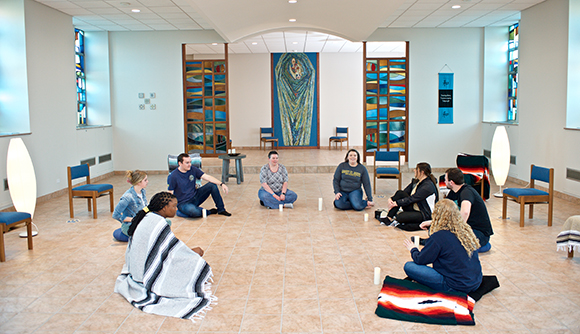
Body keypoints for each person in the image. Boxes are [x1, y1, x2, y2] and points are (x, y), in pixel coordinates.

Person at [115, 192, 214, 320]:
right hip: (145, 274)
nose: (176, 209)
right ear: (164, 208)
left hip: (137, 272)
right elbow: (170, 252)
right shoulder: (158, 223)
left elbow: (164, 248)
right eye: (174, 206)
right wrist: (191, 253)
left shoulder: (147, 217)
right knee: (197, 256)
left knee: (192, 253)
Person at [403, 199, 482, 294]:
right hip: (476, 282)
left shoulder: (438, 237)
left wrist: (413, 249)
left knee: (409, 266)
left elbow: (420, 260)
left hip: (454, 286)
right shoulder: (465, 231)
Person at [439, 168, 493, 252]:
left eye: (445, 180)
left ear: (451, 182)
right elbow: (444, 210)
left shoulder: (466, 192)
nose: (445, 182)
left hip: (480, 234)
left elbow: (465, 212)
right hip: (469, 228)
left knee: (449, 241)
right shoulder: (453, 192)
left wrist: (457, 230)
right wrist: (432, 222)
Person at [167, 153, 231, 217]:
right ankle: (208, 212)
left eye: (190, 162)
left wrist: (221, 184)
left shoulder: (193, 169)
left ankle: (221, 210)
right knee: (194, 212)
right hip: (183, 203)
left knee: (212, 185)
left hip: (195, 196)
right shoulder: (173, 176)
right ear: (180, 163)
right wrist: (173, 207)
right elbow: (170, 193)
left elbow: (207, 177)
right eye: (187, 163)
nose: (190, 164)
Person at [384, 162, 439, 231]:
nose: (414, 170)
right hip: (415, 207)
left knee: (400, 217)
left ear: (422, 172)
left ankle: (423, 224)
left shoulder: (427, 186)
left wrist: (396, 203)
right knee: (400, 193)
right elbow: (404, 193)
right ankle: (389, 218)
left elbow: (412, 198)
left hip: (424, 213)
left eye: (416, 169)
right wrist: (391, 199)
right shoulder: (416, 182)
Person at [112, 170, 148, 242]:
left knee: (166, 222)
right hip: (130, 226)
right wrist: (132, 219)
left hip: (141, 222)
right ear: (139, 182)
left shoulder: (143, 191)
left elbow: (144, 208)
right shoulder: (127, 197)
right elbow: (115, 215)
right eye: (145, 180)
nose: (147, 181)